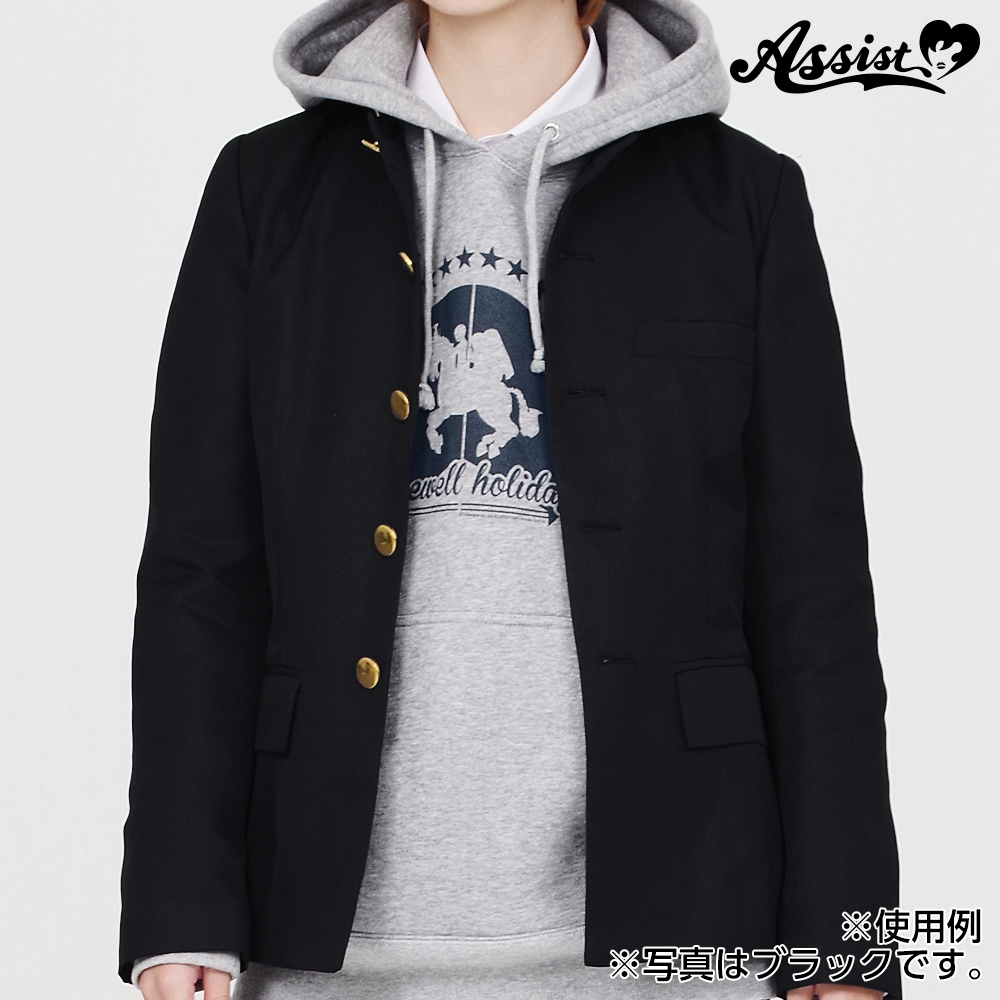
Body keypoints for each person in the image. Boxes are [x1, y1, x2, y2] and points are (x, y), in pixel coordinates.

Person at [118, 0, 902, 998]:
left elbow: (811, 590)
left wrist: (848, 934)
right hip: (322, 934)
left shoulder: (741, 197)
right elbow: (202, 568)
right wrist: (179, 900)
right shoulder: (266, 190)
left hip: (680, 932)